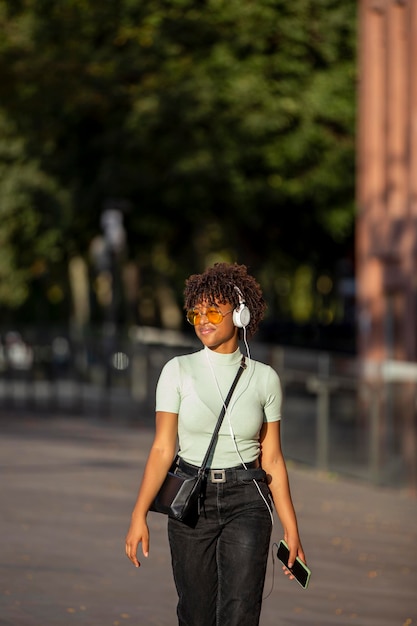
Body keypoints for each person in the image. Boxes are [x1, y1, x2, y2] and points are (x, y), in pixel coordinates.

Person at [125, 262, 307, 626]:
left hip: (248, 501)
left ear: (239, 315)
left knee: (240, 612)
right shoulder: (177, 370)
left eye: (212, 310)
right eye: (195, 311)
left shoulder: (265, 379)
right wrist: (138, 513)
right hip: (191, 502)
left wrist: (292, 528)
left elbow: (272, 459)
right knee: (195, 614)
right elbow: (163, 448)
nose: (202, 319)